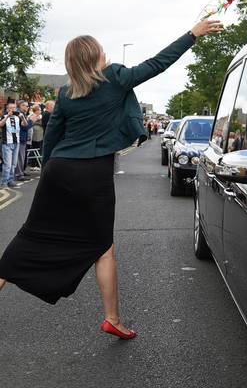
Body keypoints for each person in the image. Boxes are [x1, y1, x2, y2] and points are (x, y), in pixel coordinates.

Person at [0, 18, 223, 339]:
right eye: (100, 50)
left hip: (59, 171)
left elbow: (51, 136)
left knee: (29, 235)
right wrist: (192, 35)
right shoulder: (116, 78)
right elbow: (157, 63)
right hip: (93, 173)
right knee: (102, 247)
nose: (105, 53)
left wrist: (49, 171)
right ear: (95, 58)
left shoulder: (65, 94)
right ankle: (112, 318)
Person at [0, 103, 27, 187]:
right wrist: (7, 116)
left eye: (14, 108)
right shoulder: (3, 117)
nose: (13, 109)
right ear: (7, 109)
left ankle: (10, 180)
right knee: (7, 164)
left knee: (13, 164)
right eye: (11, 108)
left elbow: (25, 125)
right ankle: (4, 182)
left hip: (16, 142)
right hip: (7, 143)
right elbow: (1, 125)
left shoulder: (17, 118)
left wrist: (23, 117)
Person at [13, 100, 32, 181]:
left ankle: (21, 172)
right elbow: (25, 127)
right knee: (20, 157)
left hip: (22, 138)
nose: (28, 107)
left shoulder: (22, 114)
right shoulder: (19, 114)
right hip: (20, 138)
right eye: (26, 106)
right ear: (21, 106)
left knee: (22, 157)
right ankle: (18, 174)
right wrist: (31, 121)